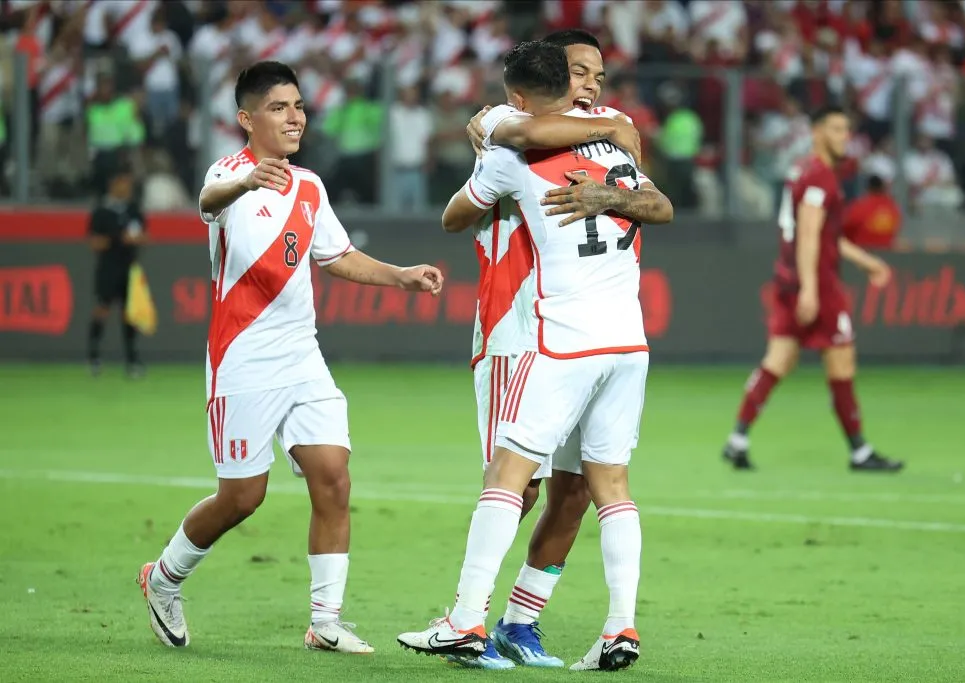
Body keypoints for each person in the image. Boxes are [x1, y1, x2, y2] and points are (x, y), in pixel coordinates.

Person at [136, 61, 444, 653]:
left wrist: (400, 277)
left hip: (303, 356)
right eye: (279, 107)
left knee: (332, 478)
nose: (295, 116)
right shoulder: (229, 174)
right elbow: (207, 199)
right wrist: (248, 183)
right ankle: (164, 578)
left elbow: (337, 255)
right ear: (247, 119)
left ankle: (325, 623)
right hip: (242, 359)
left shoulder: (310, 185)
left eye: (299, 105)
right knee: (241, 498)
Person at [398, 39, 672, 672]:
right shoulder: (609, 141)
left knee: (512, 479)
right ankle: (618, 628)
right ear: (559, 80)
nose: (594, 87)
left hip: (560, 337)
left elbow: (453, 216)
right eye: (581, 74)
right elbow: (659, 203)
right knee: (608, 487)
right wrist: (605, 166)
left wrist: (495, 172)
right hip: (623, 340)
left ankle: (471, 620)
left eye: (601, 77)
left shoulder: (510, 146)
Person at [721, 106, 903, 473]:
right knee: (841, 363)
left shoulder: (800, 170)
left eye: (847, 130)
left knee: (778, 361)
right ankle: (859, 452)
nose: (844, 137)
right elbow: (809, 234)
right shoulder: (820, 177)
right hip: (815, 284)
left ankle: (737, 439)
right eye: (836, 129)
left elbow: (826, 235)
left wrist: (867, 262)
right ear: (817, 131)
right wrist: (810, 290)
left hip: (789, 279)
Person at [87, 162, 146, 378]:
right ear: (114, 184)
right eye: (124, 183)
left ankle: (132, 360)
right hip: (108, 268)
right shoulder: (101, 211)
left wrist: (135, 239)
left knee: (129, 314)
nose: (128, 187)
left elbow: (144, 236)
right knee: (102, 309)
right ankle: (94, 357)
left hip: (129, 268)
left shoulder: (133, 209)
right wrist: (116, 239)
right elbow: (94, 242)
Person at [842, 174, 902, 249]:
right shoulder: (892, 206)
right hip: (886, 250)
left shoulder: (860, 205)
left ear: (868, 188)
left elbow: (846, 227)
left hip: (862, 250)